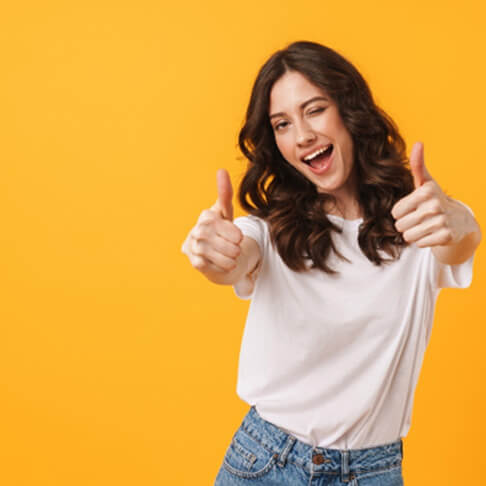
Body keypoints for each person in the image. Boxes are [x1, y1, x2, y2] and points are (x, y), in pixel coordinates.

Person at [181, 41, 481, 486]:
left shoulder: (419, 219)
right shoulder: (269, 229)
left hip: (372, 471)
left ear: (349, 109)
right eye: (282, 124)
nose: (301, 135)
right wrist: (213, 254)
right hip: (266, 463)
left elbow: (458, 242)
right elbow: (234, 257)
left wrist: (459, 221)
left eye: (314, 110)